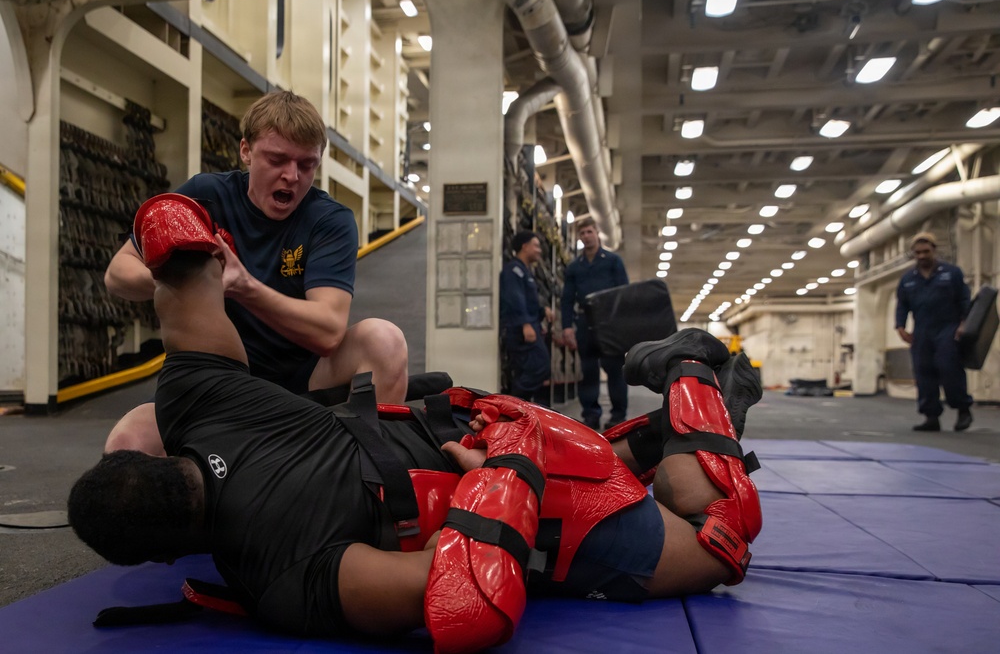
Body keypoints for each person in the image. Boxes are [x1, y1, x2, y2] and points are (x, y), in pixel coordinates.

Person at [69, 197, 762, 653]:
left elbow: (468, 596)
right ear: (157, 458)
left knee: (724, 542)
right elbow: (173, 232)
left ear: (163, 558)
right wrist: (229, 247)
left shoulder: (281, 582)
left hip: (522, 482)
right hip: (483, 417)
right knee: (668, 492)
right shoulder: (195, 402)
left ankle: (692, 371)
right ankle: (671, 411)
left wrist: (503, 475)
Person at [104, 91, 408, 456]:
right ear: (246, 151)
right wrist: (189, 277)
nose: (292, 176)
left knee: (385, 341)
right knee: (126, 444)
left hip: (301, 384)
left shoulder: (330, 220)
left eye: (306, 165)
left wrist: (244, 286)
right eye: (277, 159)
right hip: (214, 381)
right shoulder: (206, 196)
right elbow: (118, 273)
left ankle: (377, 484)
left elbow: (328, 332)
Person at [895, 231, 973, 432]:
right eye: (918, 252)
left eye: (925, 251)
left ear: (934, 250)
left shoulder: (951, 272)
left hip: (948, 328)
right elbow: (902, 305)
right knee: (923, 372)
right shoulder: (907, 279)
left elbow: (964, 299)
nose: (922, 256)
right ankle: (931, 416)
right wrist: (900, 326)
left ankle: (962, 409)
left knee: (949, 368)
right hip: (922, 330)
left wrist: (964, 323)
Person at [561, 215, 629, 430]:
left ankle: (618, 415)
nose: (586, 236)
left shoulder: (612, 261)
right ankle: (591, 415)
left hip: (609, 322)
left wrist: (621, 324)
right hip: (585, 322)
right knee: (588, 371)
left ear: (597, 233)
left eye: (589, 231)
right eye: (582, 233)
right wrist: (567, 327)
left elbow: (623, 293)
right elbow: (567, 298)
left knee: (614, 369)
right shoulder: (574, 267)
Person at [499, 231, 552, 405]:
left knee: (531, 369)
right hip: (520, 329)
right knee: (538, 367)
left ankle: (520, 408)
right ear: (524, 246)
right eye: (535, 246)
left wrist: (543, 310)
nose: (539, 250)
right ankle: (513, 407)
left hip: (529, 325)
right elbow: (514, 299)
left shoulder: (525, 271)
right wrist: (525, 324)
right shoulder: (514, 270)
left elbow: (527, 301)